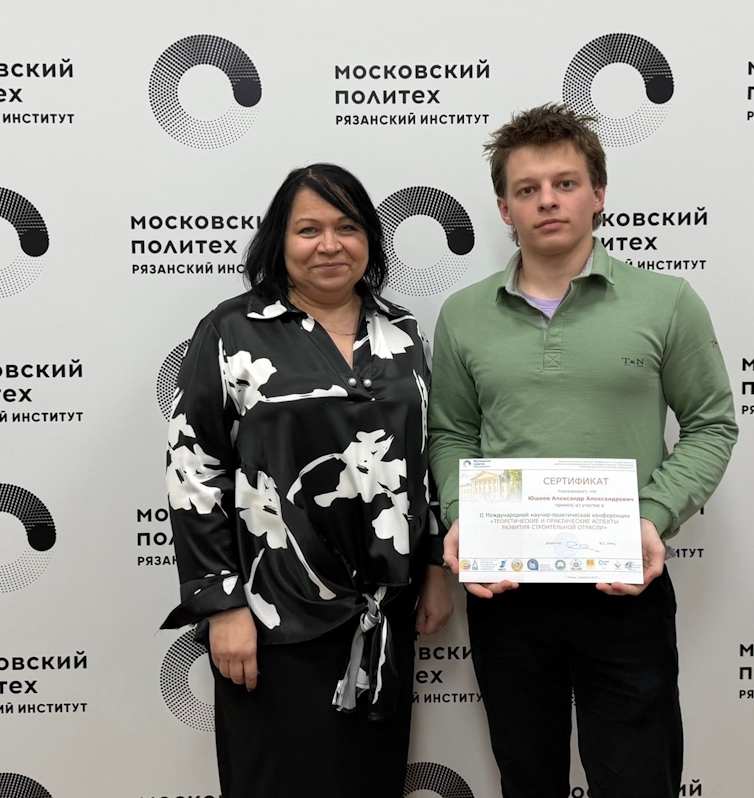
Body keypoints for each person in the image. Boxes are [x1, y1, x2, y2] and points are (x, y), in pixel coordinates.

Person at [428, 104, 738, 798]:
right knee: (527, 780)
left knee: (638, 781)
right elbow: (450, 433)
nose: (547, 201)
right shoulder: (463, 315)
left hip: (624, 586)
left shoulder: (666, 302)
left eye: (565, 184)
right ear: (504, 208)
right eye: (528, 189)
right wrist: (462, 516)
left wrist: (653, 516)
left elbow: (712, 424)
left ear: (598, 194)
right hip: (507, 590)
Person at [162, 163, 453, 798]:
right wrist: (223, 604)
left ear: (370, 239)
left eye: (347, 227)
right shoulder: (232, 331)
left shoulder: (402, 333)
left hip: (384, 613)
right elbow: (194, 469)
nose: (329, 245)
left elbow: (424, 457)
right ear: (280, 240)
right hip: (274, 615)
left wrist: (434, 568)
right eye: (308, 229)